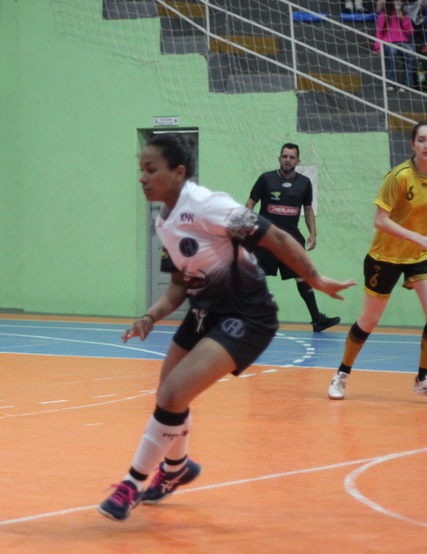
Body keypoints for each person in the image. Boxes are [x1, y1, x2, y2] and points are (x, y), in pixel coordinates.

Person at [99, 134, 354, 522]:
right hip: (205, 312)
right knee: (169, 396)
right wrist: (150, 317)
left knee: (171, 395)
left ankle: (131, 484)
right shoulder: (165, 222)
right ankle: (177, 467)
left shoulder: (208, 206)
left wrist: (315, 277)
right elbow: (179, 287)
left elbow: (278, 237)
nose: (142, 178)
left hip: (246, 315)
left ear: (179, 172)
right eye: (141, 170)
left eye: (151, 170)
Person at [328, 120, 427, 399]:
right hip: (385, 255)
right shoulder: (399, 177)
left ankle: (422, 378)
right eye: (421, 140)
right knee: (369, 320)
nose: (426, 145)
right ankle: (341, 375)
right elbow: (380, 221)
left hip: (419, 256)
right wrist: (417, 237)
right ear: (412, 145)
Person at [245, 144, 341, 332]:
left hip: (292, 239)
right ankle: (246, 317)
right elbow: (250, 204)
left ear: (298, 161)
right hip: (267, 238)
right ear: (279, 158)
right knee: (254, 277)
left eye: (291, 157)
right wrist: (246, 228)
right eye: (284, 156)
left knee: (302, 275)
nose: (287, 160)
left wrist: (313, 234)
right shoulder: (266, 179)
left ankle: (317, 320)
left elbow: (307, 209)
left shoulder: (304, 183)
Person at [373, 0, 416, 89]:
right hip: (388, 42)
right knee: (392, 52)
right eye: (396, 1)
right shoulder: (384, 14)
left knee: (411, 53)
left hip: (403, 41)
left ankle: (408, 83)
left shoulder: (405, 15)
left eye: (400, 1)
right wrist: (378, 47)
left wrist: (403, 19)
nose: (398, 3)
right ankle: (391, 82)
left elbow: (409, 32)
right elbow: (379, 32)